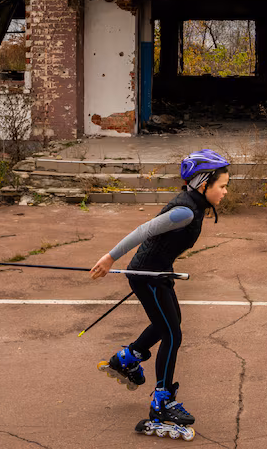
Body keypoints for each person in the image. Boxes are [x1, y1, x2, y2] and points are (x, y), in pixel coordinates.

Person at [90, 149, 230, 430]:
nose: (225, 192)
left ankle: (126, 359)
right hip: (147, 276)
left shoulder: (195, 205)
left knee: (168, 323)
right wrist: (109, 258)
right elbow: (144, 230)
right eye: (222, 186)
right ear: (203, 186)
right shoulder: (184, 211)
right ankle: (161, 403)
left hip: (157, 272)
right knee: (172, 334)